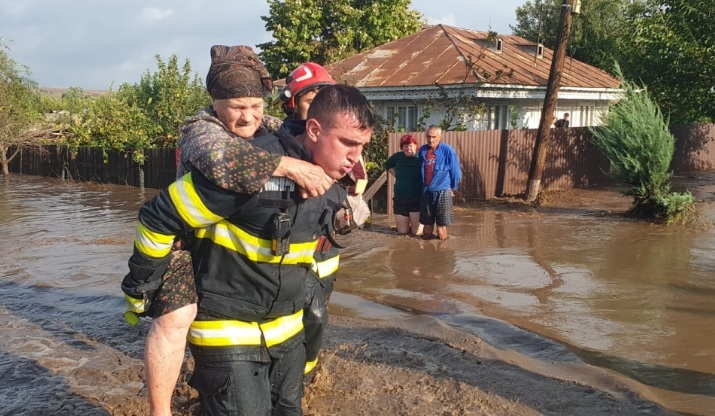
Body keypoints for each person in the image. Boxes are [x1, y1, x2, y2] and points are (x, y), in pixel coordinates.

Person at [122, 84, 375, 415]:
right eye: (348, 143)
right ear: (314, 130)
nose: (356, 158)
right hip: (227, 329)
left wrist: (342, 222)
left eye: (363, 146)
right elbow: (159, 217)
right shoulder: (248, 170)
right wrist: (142, 286)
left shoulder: (336, 177)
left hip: (285, 330)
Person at [278, 62, 365, 383]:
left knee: (318, 315)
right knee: (308, 315)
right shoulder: (279, 142)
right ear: (292, 103)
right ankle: (293, 377)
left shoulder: (342, 139)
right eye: (308, 97)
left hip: (325, 249)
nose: (316, 103)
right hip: (290, 247)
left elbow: (356, 180)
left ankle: (305, 370)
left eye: (322, 96)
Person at [418, 125, 461, 241]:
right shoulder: (422, 150)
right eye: (428, 136)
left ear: (440, 137)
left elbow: (456, 172)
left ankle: (442, 254)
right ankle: (426, 253)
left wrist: (453, 187)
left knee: (441, 228)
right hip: (426, 192)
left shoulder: (448, 150)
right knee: (426, 227)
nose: (430, 140)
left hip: (442, 192)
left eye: (434, 137)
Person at [385, 133, 423, 236]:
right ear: (402, 147)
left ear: (415, 145)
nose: (408, 148)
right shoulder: (397, 157)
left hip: (418, 199)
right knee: (402, 233)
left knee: (417, 233)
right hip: (400, 199)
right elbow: (388, 165)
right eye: (405, 146)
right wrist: (397, 175)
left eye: (410, 145)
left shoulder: (421, 156)